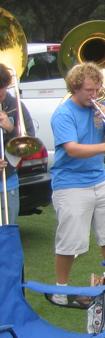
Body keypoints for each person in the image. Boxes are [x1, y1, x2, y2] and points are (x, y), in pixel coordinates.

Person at [49, 62, 105, 306]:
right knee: (70, 241)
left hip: (99, 178)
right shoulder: (63, 113)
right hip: (70, 183)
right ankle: (61, 289)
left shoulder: (98, 108)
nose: (95, 95)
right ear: (75, 88)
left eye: (97, 89)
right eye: (90, 91)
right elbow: (72, 149)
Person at [0, 64, 35, 225]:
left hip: (7, 179)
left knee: (8, 230)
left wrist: (11, 129)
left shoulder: (15, 105)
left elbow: (30, 145)